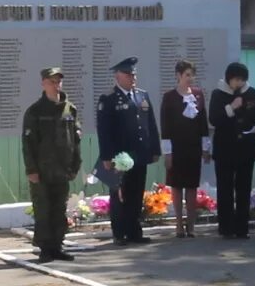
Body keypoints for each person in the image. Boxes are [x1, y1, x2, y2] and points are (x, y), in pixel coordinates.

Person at [96, 56, 161, 246]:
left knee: (136, 194)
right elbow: (104, 130)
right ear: (117, 76)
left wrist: (154, 149)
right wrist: (107, 157)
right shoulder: (108, 98)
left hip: (139, 154)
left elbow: (151, 125)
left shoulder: (142, 95)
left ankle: (134, 231)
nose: (132, 77)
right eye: (128, 74)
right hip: (119, 157)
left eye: (134, 74)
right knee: (119, 195)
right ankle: (120, 233)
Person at [22, 67, 82, 263]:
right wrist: (31, 169)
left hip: (62, 169)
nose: (56, 85)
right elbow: (28, 143)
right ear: (43, 84)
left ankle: (57, 245)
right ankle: (45, 248)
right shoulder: (35, 111)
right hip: (42, 170)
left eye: (58, 81)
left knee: (59, 208)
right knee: (43, 209)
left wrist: (74, 166)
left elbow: (76, 140)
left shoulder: (69, 109)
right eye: (51, 82)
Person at [208, 62, 255, 239]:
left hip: (246, 148)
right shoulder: (218, 93)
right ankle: (225, 227)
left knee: (243, 188)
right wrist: (231, 108)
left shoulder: (251, 92)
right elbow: (214, 119)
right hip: (225, 148)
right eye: (235, 79)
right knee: (225, 188)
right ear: (228, 78)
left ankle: (242, 227)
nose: (238, 83)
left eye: (242, 80)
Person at [161, 60, 210, 238]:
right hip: (176, 147)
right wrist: (168, 152)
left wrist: (205, 148)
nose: (190, 78)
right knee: (176, 186)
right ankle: (179, 225)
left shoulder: (198, 95)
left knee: (191, 186)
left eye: (192, 75)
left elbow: (203, 122)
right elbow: (165, 126)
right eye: (187, 74)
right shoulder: (169, 96)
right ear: (178, 75)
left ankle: (191, 225)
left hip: (193, 147)